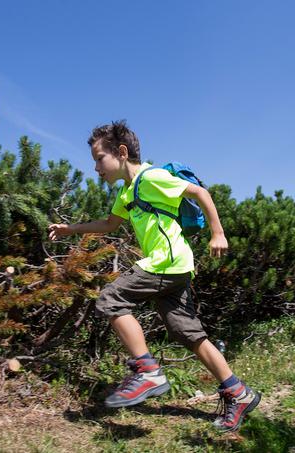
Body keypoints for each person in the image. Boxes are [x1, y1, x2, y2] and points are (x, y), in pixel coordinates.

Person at [48, 120, 260, 432]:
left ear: (121, 153)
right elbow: (109, 224)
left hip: (167, 262)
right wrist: (70, 229)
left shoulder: (152, 177)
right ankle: (238, 393)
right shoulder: (127, 192)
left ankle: (147, 370)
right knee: (188, 334)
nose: (96, 168)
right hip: (174, 268)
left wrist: (218, 232)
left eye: (98, 159)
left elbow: (200, 192)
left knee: (110, 299)